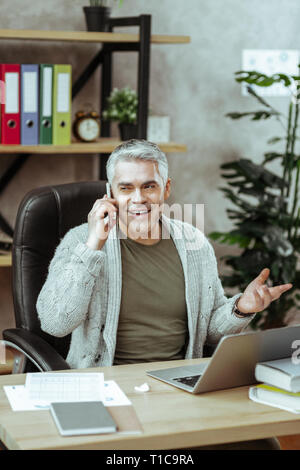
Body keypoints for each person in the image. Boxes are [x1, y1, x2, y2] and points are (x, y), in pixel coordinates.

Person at [37, 139, 291, 450]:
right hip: (108, 386)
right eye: (126, 188)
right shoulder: (82, 240)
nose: (138, 199)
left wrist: (241, 307)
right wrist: (93, 247)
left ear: (166, 189)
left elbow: (208, 332)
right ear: (110, 193)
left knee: (263, 445)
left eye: (149, 186)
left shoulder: (193, 243)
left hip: (180, 385)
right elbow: (55, 322)